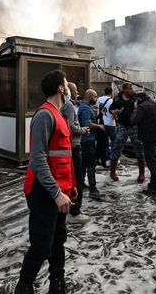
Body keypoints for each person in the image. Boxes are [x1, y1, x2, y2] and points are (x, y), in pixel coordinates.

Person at [15, 70, 77, 294]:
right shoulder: (44, 115)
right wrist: (56, 192)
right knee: (41, 246)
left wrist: (71, 187)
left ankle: (57, 283)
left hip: (60, 191)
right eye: (67, 84)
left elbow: (64, 155)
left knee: (58, 239)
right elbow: (38, 159)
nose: (69, 88)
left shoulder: (60, 115)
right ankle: (24, 286)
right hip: (44, 192)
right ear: (61, 89)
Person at [61, 82, 90, 223]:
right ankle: (75, 212)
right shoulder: (69, 106)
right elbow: (70, 126)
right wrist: (83, 130)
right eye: (74, 90)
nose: (76, 92)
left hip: (71, 146)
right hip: (74, 146)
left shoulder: (67, 105)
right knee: (77, 179)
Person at [130, 92, 156, 195]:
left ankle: (155, 187)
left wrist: (135, 109)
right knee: (155, 160)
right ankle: (154, 184)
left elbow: (133, 121)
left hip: (149, 138)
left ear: (138, 99)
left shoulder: (142, 107)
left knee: (152, 163)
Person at [108, 83, 145, 182]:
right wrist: (114, 112)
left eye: (132, 88)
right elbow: (110, 109)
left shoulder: (135, 98)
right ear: (124, 89)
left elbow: (144, 107)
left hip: (134, 126)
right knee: (116, 146)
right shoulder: (117, 99)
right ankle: (112, 172)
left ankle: (142, 173)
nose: (131, 90)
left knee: (139, 147)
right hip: (122, 125)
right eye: (129, 89)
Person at [79, 89, 105, 200]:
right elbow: (87, 124)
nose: (96, 99)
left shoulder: (86, 107)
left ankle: (81, 184)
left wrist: (99, 116)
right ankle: (93, 190)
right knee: (91, 165)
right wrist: (99, 126)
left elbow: (90, 119)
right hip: (87, 141)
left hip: (86, 141)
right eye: (95, 97)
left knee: (84, 165)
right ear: (90, 97)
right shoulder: (85, 108)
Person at [96, 86, 115, 166]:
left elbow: (97, 108)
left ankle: (102, 158)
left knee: (102, 141)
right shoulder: (111, 100)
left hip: (101, 122)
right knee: (114, 141)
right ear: (111, 93)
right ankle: (110, 158)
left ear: (104, 92)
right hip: (110, 123)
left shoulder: (99, 99)